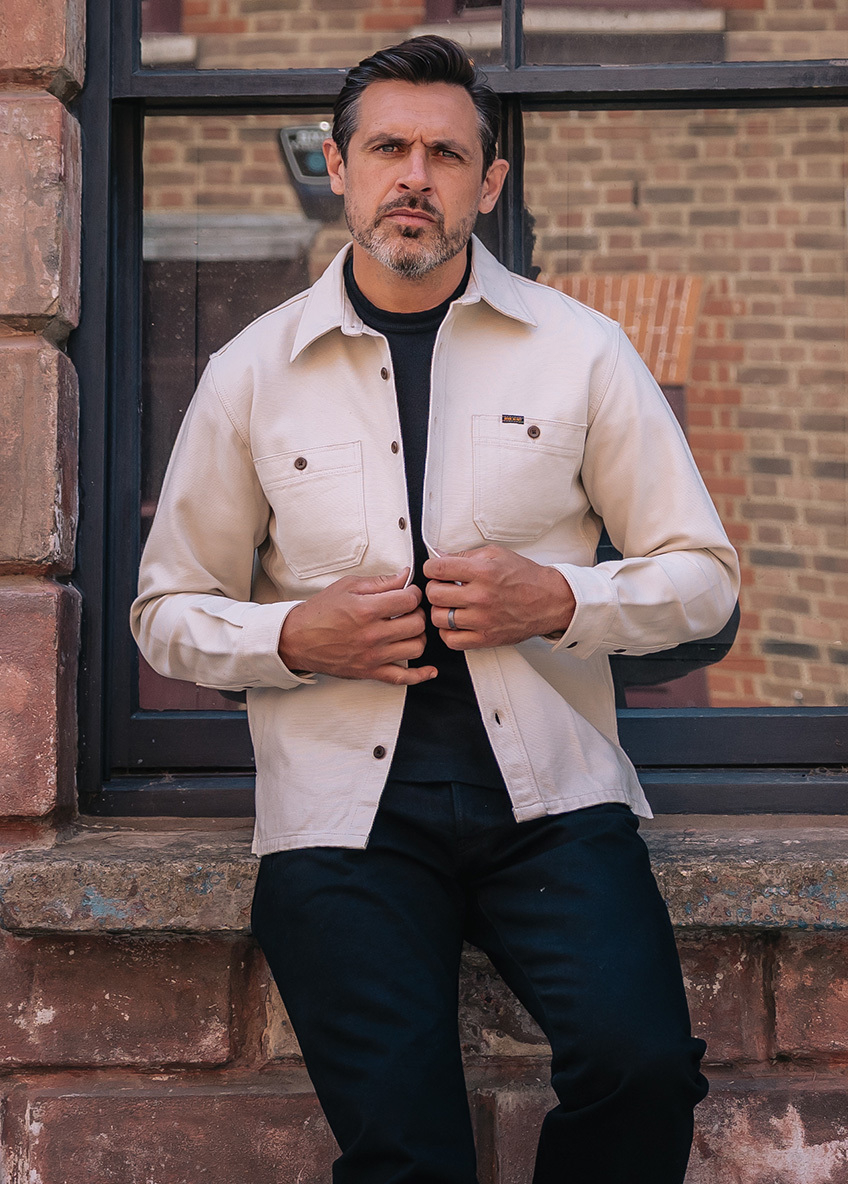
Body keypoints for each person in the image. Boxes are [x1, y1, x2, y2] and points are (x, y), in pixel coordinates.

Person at [131, 35, 740, 1184]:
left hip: (551, 802)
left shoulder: (580, 352)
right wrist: (291, 634)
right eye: (387, 148)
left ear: (487, 182)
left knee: (642, 1065)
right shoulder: (250, 372)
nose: (414, 176)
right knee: (407, 1155)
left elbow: (703, 576)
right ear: (338, 166)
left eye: (445, 154)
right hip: (340, 822)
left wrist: (558, 597)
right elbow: (166, 610)